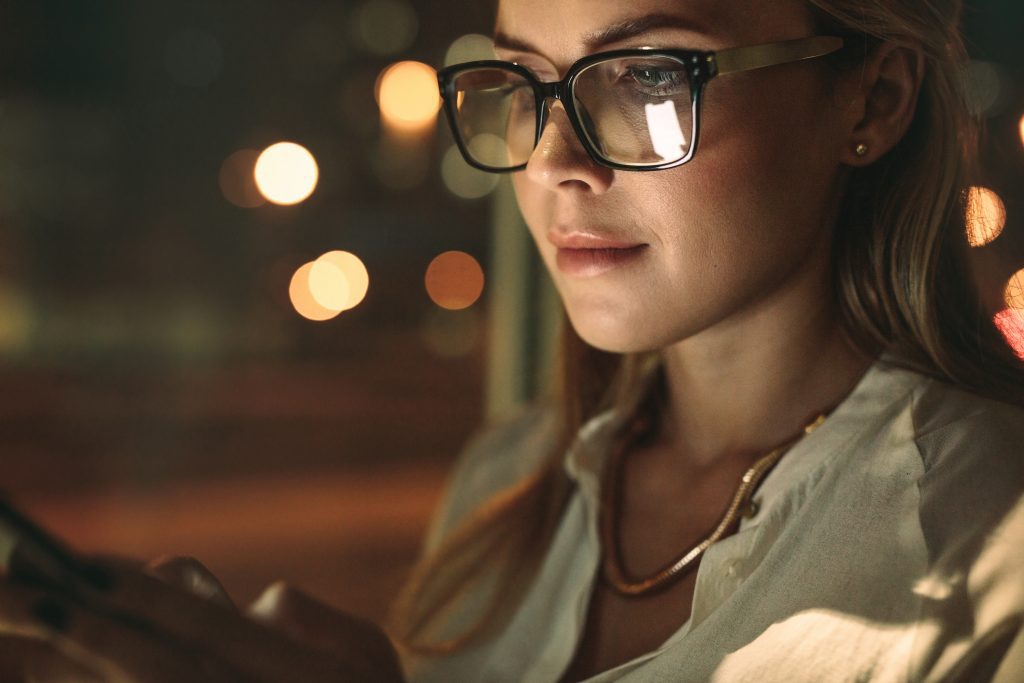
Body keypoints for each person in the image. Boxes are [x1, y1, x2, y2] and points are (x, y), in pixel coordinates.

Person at [1, 0, 1022, 681]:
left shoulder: (991, 538)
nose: (556, 160)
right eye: (524, 83)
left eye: (648, 79)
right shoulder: (509, 480)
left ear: (872, 100)